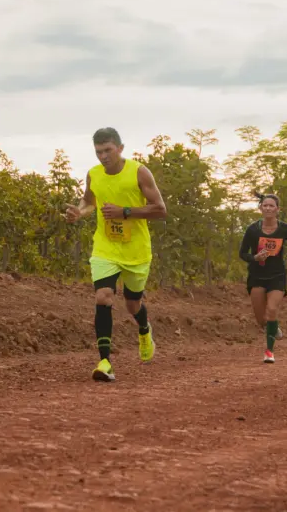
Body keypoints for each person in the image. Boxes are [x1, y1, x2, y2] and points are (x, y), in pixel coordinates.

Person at [65, 127, 168, 382]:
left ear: (120, 148)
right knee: (103, 297)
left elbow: (160, 209)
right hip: (105, 247)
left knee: (133, 304)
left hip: (136, 250)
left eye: (108, 150)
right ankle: (105, 361)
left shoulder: (139, 172)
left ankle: (144, 330)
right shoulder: (94, 174)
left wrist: (125, 212)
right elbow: (89, 201)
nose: (103, 156)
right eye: (98, 152)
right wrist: (80, 213)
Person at [239, 194, 287, 364]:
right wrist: (255, 257)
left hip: (277, 276)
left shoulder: (285, 229)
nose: (268, 208)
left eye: (271, 206)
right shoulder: (253, 229)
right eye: (265, 205)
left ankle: (269, 351)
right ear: (260, 208)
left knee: (272, 310)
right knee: (261, 320)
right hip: (257, 276)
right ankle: (272, 327)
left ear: (277, 209)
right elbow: (242, 253)